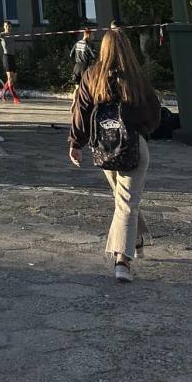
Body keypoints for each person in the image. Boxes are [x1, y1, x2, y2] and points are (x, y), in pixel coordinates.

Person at [68, 28, 161, 282]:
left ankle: (135, 241)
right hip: (133, 145)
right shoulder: (136, 77)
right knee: (127, 201)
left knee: (124, 198)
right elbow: (154, 112)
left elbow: (81, 109)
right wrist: (143, 130)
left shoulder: (92, 75)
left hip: (104, 146)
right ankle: (122, 259)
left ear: (103, 48)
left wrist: (76, 143)